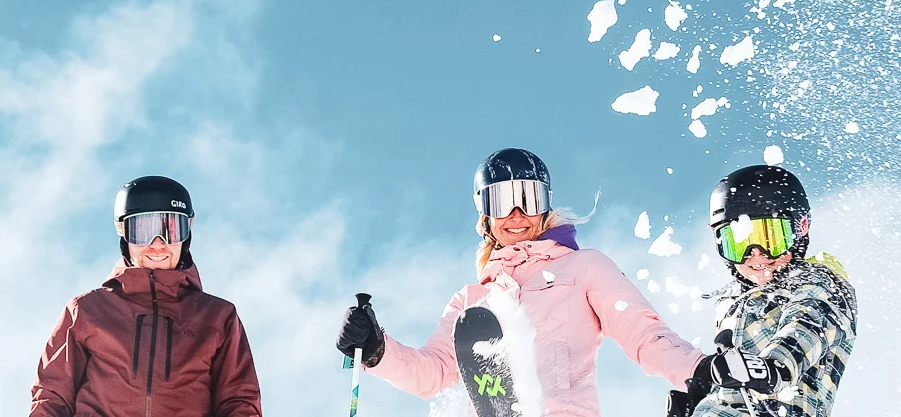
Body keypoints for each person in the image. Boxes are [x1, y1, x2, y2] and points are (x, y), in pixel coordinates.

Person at [334, 148, 706, 416]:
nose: (516, 214)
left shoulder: (584, 268)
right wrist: (375, 349)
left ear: (545, 205)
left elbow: (645, 335)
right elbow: (432, 374)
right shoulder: (471, 300)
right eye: (502, 201)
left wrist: (702, 371)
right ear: (485, 213)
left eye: (528, 198)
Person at [30, 176, 261, 417]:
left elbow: (239, 400)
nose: (158, 245)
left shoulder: (216, 317)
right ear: (124, 235)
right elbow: (52, 395)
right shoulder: (87, 311)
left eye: (170, 229)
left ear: (187, 234)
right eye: (143, 231)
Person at [668, 165, 857, 417]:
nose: (756, 254)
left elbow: (807, 327)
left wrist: (772, 367)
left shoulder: (821, 286)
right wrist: (708, 392)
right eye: (739, 242)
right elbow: (736, 376)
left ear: (799, 228)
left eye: (770, 238)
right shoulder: (731, 300)